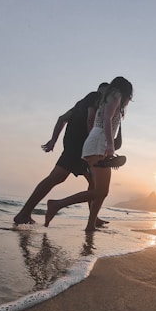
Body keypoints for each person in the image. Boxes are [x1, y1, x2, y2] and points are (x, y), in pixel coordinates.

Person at [13, 82, 121, 226]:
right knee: (57, 178)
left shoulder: (81, 104)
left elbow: (61, 118)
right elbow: (91, 118)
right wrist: (95, 143)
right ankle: (24, 213)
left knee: (93, 184)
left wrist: (53, 140)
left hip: (77, 146)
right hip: (80, 147)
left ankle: (93, 219)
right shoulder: (96, 98)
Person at [44, 77, 133, 232]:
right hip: (99, 143)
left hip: (97, 142)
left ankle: (90, 224)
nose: (129, 100)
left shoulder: (108, 97)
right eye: (130, 96)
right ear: (125, 92)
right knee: (100, 191)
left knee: (101, 189)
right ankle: (56, 205)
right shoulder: (116, 95)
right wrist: (110, 146)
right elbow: (106, 118)